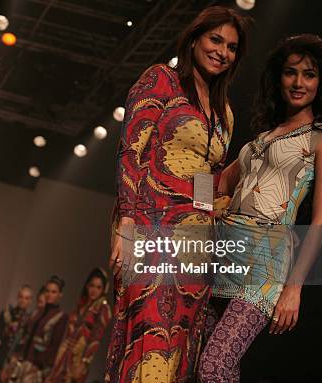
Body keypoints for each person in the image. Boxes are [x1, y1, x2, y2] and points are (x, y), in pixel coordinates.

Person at [107, 6, 250, 382]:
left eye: (232, 47)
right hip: (152, 227)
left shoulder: (225, 113)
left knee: (179, 347)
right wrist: (125, 222)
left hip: (195, 244)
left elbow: (207, 174)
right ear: (194, 38)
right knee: (148, 338)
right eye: (215, 39)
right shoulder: (161, 80)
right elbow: (130, 152)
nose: (222, 51)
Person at [198, 34, 322, 382]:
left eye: (309, 74)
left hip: (264, 265)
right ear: (278, 77)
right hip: (222, 252)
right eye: (290, 72)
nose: (298, 82)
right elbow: (212, 178)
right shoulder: (261, 139)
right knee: (207, 367)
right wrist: (207, 206)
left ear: (320, 81)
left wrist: (294, 287)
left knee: (213, 367)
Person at [46, 268, 112, 383]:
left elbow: (97, 337)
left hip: (79, 358)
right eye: (92, 285)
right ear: (87, 286)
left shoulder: (103, 308)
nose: (94, 290)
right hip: (64, 354)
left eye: (98, 287)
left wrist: (85, 361)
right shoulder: (81, 305)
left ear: (103, 289)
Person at [3, 276, 69, 383]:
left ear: (60, 295)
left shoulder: (61, 316)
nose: (49, 294)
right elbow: (25, 336)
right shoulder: (37, 312)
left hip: (36, 367)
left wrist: (41, 366)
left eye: (53, 292)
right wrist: (15, 356)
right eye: (47, 291)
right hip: (22, 362)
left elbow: (54, 345)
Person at [0, 285, 34, 383]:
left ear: (30, 301)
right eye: (21, 297)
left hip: (14, 363)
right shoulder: (6, 314)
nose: (23, 300)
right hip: (0, 358)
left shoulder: (30, 321)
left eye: (26, 298)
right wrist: (9, 327)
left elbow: (25, 344)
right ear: (17, 297)